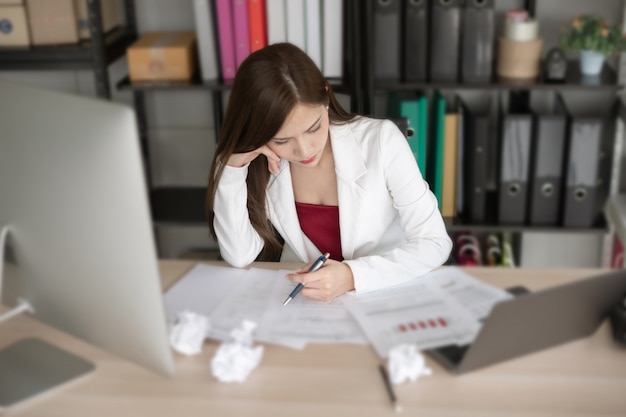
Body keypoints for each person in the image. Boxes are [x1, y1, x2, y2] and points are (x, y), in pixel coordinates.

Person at [206, 43, 452, 301]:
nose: (303, 150)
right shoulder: (261, 160)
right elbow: (239, 254)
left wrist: (351, 276)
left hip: (382, 292)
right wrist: (233, 167)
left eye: (313, 128)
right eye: (282, 140)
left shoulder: (381, 140)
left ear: (325, 96)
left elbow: (434, 243)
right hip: (304, 302)